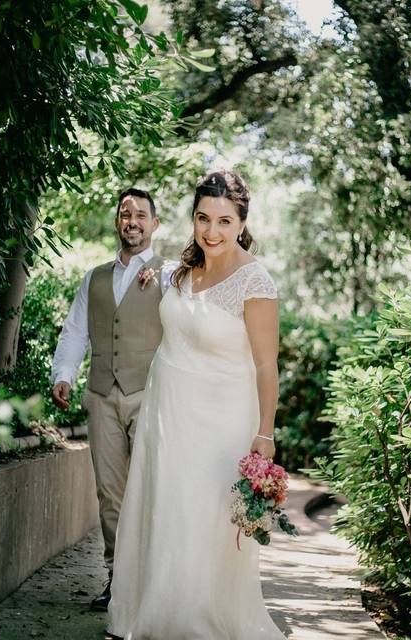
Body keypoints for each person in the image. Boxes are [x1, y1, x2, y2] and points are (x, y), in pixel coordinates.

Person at [107, 170, 285, 639]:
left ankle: (194, 624)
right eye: (203, 218)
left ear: (242, 222)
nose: (211, 232)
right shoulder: (183, 269)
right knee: (162, 510)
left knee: (203, 519)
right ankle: (151, 614)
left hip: (221, 421)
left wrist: (265, 433)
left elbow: (267, 366)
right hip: (166, 415)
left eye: (224, 221)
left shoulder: (255, 282)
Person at [49, 187, 175, 612]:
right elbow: (75, 331)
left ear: (154, 225)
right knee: (110, 494)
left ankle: (152, 583)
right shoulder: (95, 277)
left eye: (141, 214)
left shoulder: (171, 273)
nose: (133, 221)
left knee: (151, 489)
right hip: (102, 394)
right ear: (117, 222)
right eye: (126, 214)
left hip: (151, 394)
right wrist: (63, 374)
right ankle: (117, 580)